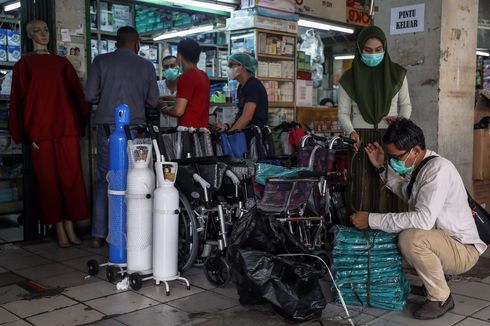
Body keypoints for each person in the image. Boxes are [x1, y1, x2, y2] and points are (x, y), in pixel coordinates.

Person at [351, 118, 487, 320]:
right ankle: (434, 279)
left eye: (396, 156)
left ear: (415, 150)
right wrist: (381, 167)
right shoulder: (421, 167)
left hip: (462, 250)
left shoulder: (438, 170)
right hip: (445, 241)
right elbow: (405, 190)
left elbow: (423, 220)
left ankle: (441, 297)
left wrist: (371, 219)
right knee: (397, 243)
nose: (394, 161)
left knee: (410, 239)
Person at [9, 20, 90, 247]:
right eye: (36, 31)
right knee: (49, 181)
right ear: (28, 35)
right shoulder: (23, 66)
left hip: (66, 128)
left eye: (45, 29)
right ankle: (60, 228)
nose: (43, 34)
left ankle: (70, 225)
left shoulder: (61, 63)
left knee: (71, 178)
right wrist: (25, 133)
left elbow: (77, 95)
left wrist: (79, 123)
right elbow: (18, 101)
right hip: (40, 131)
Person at [86, 26, 159, 248]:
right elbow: (154, 101)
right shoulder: (146, 66)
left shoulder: (100, 61)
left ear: (116, 42)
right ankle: (130, 230)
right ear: (136, 43)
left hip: (107, 130)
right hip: (135, 132)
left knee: (104, 179)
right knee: (135, 179)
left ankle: (99, 234)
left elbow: (89, 95)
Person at [338, 25, 412, 215]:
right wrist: (351, 132)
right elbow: (343, 113)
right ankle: (360, 240)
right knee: (362, 192)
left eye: (378, 50)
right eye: (368, 50)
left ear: (384, 49)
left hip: (392, 138)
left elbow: (406, 105)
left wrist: (399, 123)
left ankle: (393, 238)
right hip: (360, 140)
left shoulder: (397, 74)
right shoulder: (348, 79)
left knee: (393, 188)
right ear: (360, 49)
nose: (373, 54)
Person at [160, 38, 209, 128]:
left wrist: (163, 108)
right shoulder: (204, 76)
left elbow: (178, 111)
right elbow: (190, 98)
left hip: (187, 132)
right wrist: (164, 98)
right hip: (201, 130)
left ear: (179, 56)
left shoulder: (186, 77)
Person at [217, 53, 268, 132]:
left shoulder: (253, 85)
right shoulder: (241, 87)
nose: (228, 69)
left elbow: (247, 117)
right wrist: (227, 126)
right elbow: (240, 114)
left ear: (242, 67)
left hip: (254, 136)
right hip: (244, 133)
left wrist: (231, 134)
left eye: (231, 65)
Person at [157, 55, 180, 127]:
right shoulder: (157, 85)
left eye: (172, 65)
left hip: (181, 130)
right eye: (166, 67)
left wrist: (162, 98)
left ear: (179, 67)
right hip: (161, 130)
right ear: (163, 69)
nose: (169, 69)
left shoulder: (186, 86)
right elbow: (152, 100)